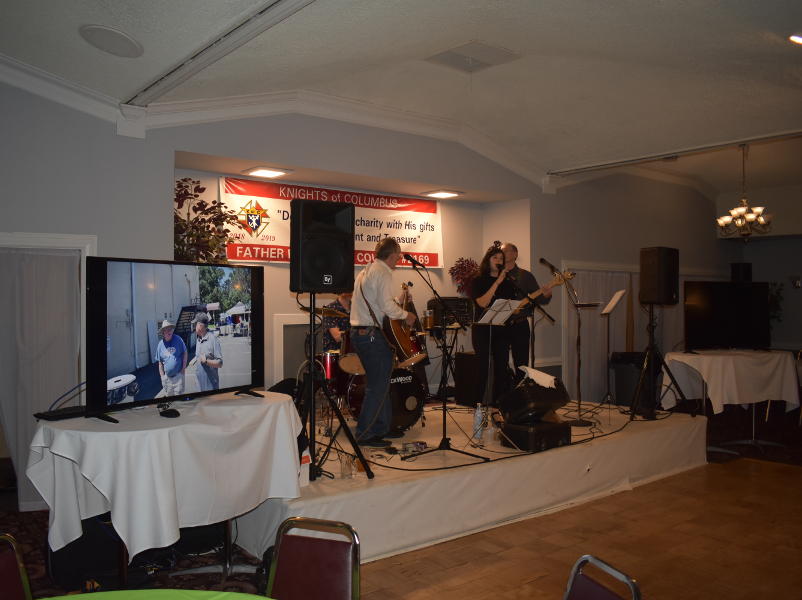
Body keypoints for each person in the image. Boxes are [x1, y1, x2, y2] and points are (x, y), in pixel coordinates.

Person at [349, 238, 417, 447]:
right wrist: (406, 315)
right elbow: (386, 305)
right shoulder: (384, 273)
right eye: (398, 254)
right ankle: (365, 434)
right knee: (377, 387)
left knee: (381, 383)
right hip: (371, 335)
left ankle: (382, 428)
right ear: (393, 253)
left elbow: (379, 302)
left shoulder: (366, 271)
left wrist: (397, 303)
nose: (399, 258)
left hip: (361, 334)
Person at [500, 241, 552, 383]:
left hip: (519, 325)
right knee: (499, 363)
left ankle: (521, 396)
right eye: (501, 252)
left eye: (506, 251)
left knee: (521, 365)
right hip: (499, 326)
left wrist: (546, 295)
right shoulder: (496, 275)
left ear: (515, 254)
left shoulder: (525, 276)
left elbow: (540, 299)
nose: (502, 254)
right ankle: (501, 396)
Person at [193, 312, 223, 391]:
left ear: (200, 326)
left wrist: (206, 361)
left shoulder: (213, 339)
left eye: (195, 324)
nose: (194, 327)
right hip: (199, 387)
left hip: (210, 387)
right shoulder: (198, 339)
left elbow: (220, 363)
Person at [157, 319, 187, 397]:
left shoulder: (178, 339)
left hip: (178, 377)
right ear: (163, 332)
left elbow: (185, 353)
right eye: (166, 330)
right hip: (167, 379)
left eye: (170, 329)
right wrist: (162, 377)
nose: (169, 331)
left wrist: (183, 369)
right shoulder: (160, 345)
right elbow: (160, 363)